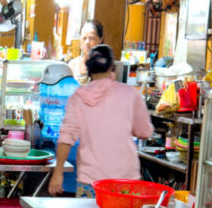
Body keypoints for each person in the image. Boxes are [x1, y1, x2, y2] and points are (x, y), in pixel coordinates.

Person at [49, 44, 153, 198]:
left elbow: (66, 137)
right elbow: (144, 132)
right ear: (112, 67)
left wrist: (58, 174)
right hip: (126, 180)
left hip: (91, 181)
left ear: (88, 69)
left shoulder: (78, 97)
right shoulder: (130, 94)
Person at [68, 19, 104, 84]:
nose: (87, 42)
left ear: (101, 39)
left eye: (91, 38)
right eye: (84, 38)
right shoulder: (72, 65)